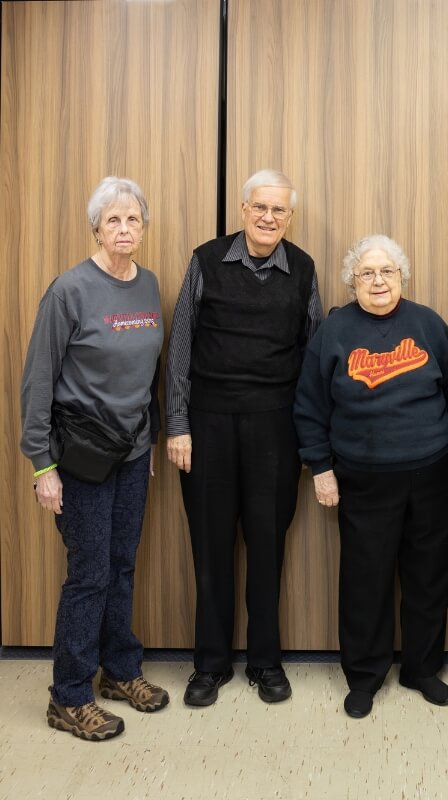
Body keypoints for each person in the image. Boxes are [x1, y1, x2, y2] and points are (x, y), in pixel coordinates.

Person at [166, 169, 324, 706]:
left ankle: (265, 662)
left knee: (267, 547)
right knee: (209, 550)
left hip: (275, 429)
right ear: (242, 209)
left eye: (279, 210)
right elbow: (180, 346)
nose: (268, 217)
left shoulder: (302, 269)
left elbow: (315, 357)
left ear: (290, 217)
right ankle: (209, 665)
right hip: (208, 426)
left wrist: (311, 440)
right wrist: (178, 425)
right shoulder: (206, 260)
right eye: (259, 207)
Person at [294, 235, 448, 719]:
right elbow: (309, 407)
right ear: (352, 281)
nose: (377, 281)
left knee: (428, 574)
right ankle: (365, 676)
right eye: (367, 273)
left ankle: (422, 669)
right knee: (365, 580)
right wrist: (321, 468)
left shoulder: (428, 324)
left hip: (431, 470)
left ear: (402, 277)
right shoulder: (334, 332)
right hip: (362, 475)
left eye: (387, 271)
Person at [20, 177, 168, 741]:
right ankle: (70, 695)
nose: (125, 230)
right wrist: (42, 465)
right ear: (96, 229)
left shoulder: (148, 285)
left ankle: (120, 671)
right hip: (78, 458)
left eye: (133, 220)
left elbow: (146, 374)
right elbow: (37, 382)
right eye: (113, 221)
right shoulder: (70, 291)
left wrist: (149, 439)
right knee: (88, 574)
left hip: (131, 452)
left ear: (143, 227)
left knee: (122, 564)